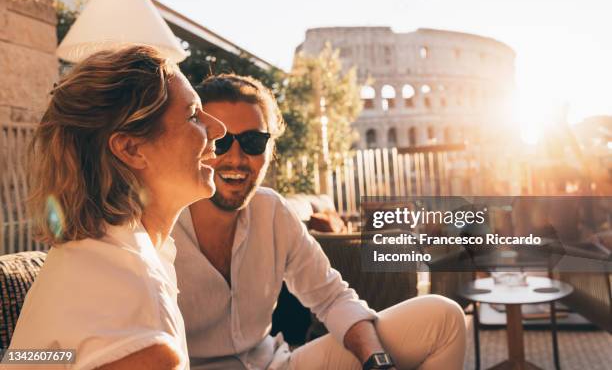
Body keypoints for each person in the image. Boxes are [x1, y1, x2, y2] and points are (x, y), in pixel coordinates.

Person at [172, 74, 467, 370]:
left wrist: (377, 362)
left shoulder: (272, 211)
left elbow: (332, 298)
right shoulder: (160, 227)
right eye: (219, 142)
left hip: (275, 365)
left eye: (252, 141)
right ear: (195, 143)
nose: (236, 158)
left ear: (269, 149)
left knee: (443, 317)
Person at [8, 45, 225, 370]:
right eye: (193, 115)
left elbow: (24, 359)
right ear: (131, 147)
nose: (219, 128)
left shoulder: (91, 254)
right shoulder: (133, 304)